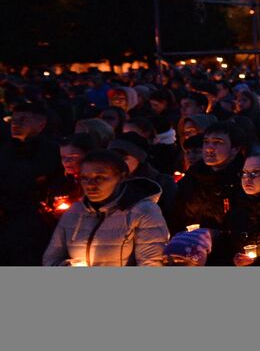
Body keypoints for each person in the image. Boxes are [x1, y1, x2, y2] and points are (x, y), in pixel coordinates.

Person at [42, 150, 169, 266]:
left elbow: (151, 264)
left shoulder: (143, 212)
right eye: (85, 178)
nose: (90, 185)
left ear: (121, 177)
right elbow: (51, 259)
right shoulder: (74, 212)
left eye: (100, 178)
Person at [0, 101, 64, 265]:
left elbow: (32, 179)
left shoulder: (51, 150)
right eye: (13, 120)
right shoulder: (5, 148)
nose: (16, 124)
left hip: (33, 221)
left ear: (41, 124)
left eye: (24, 120)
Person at [169, 120, 246, 234]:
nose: (209, 148)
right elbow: (177, 213)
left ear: (235, 149)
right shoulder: (194, 175)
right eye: (206, 142)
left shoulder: (243, 178)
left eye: (218, 142)